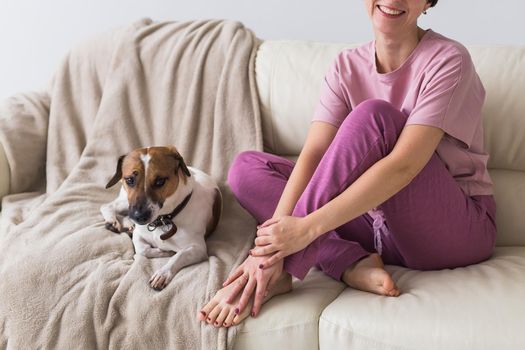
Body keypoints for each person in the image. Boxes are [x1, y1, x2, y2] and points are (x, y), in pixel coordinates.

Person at [197, 0, 497, 328]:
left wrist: (295, 238)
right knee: (247, 168)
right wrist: (278, 237)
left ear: (427, 2)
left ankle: (282, 271)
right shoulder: (346, 65)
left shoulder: (448, 59)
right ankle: (348, 261)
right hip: (371, 225)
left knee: (374, 116)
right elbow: (313, 154)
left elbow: (404, 166)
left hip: (450, 230)